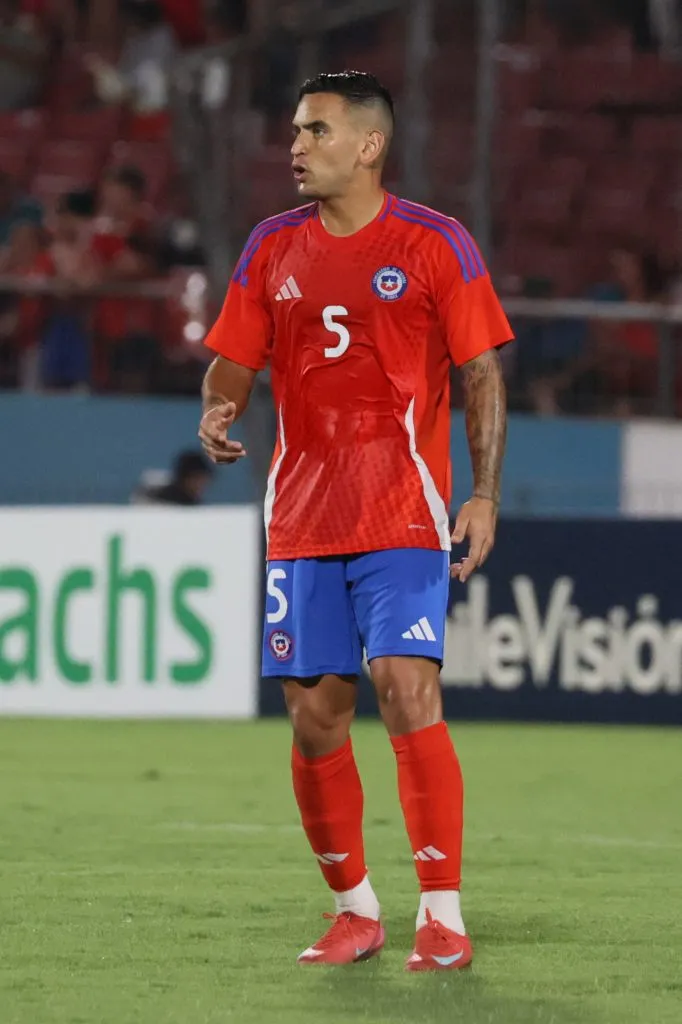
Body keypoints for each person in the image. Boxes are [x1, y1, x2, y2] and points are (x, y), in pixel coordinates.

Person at [198, 72, 512, 971]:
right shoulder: (270, 247)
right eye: (296, 129)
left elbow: (483, 373)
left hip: (402, 510)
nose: (295, 145)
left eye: (316, 130)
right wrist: (219, 407)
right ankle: (355, 910)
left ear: (369, 145)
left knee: (407, 688)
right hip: (301, 513)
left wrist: (482, 492)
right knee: (314, 720)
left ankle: (442, 914)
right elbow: (232, 359)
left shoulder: (434, 243)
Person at [131, 449, 214, 505]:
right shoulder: (159, 502)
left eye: (204, 479)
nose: (201, 484)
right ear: (184, 478)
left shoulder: (193, 504)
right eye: (197, 479)